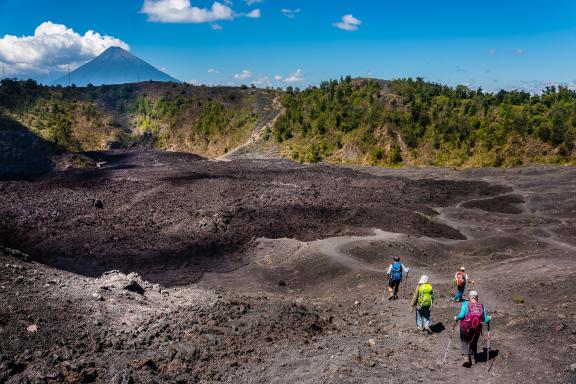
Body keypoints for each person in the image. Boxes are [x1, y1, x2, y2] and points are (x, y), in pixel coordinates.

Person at [454, 290, 491, 367]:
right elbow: (484, 319)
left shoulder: (465, 304)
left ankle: (466, 357)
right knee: (473, 342)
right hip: (476, 329)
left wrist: (456, 317)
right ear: (477, 297)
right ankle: (474, 358)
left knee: (464, 340)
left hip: (465, 327)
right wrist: (489, 318)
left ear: (469, 297)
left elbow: (461, 315)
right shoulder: (481, 306)